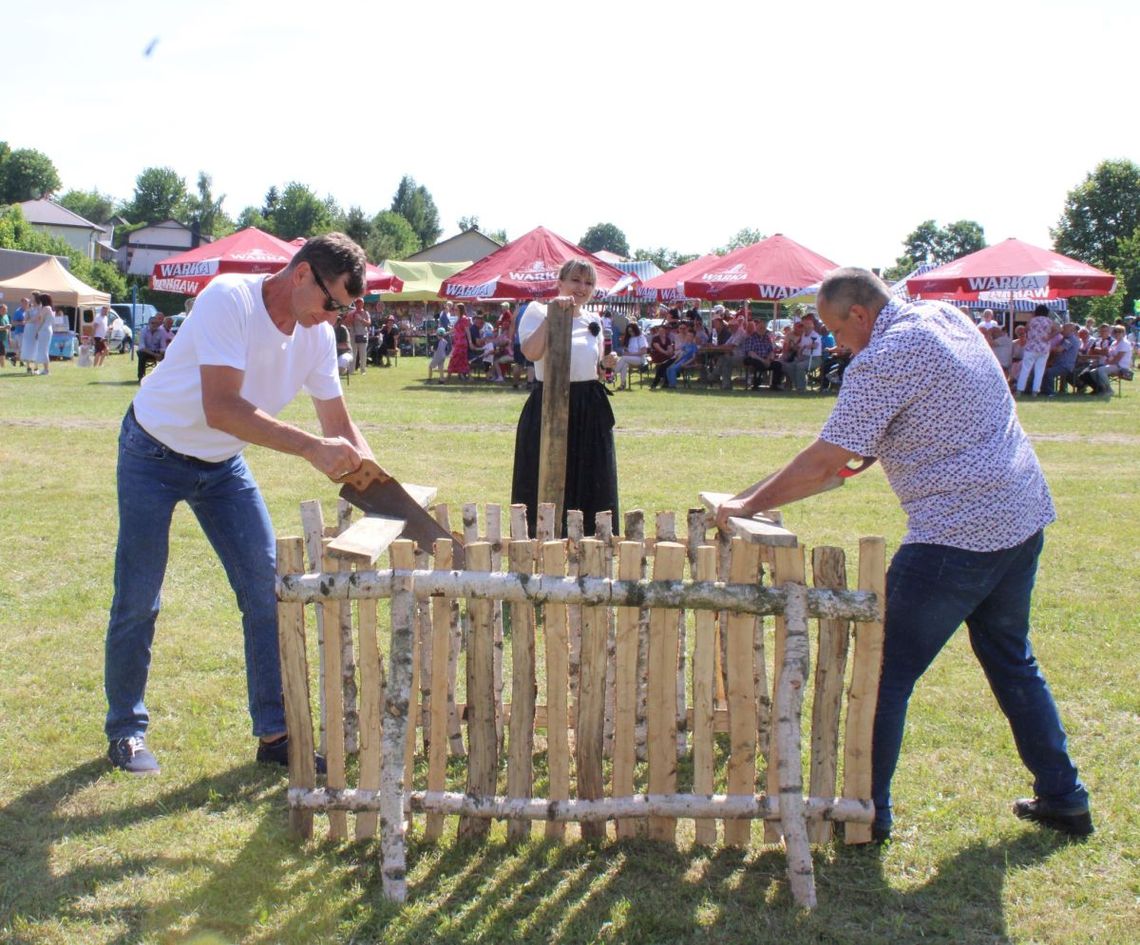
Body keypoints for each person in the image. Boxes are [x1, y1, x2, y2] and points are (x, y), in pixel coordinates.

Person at [715, 268, 1091, 843]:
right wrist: (764, 491)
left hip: (957, 533)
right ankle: (1065, 798)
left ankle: (868, 816)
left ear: (860, 314)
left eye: (836, 329)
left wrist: (745, 505)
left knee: (881, 673)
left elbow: (827, 462)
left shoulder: (884, 357)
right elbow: (871, 446)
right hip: (1020, 515)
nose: (837, 343)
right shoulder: (944, 317)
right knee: (1012, 659)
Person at [103, 232, 376, 775]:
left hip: (222, 465)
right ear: (302, 273)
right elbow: (222, 408)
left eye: (344, 310)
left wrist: (378, 480)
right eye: (332, 303)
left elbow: (339, 425)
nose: (335, 318)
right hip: (152, 451)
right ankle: (126, 731)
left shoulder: (317, 335)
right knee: (139, 596)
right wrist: (310, 449)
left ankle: (274, 736)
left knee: (266, 590)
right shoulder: (229, 298)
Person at [511, 258, 617, 538]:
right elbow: (531, 353)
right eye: (576, 280)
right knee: (543, 474)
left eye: (589, 282)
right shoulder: (537, 311)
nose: (582, 287)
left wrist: (605, 364)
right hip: (549, 402)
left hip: (589, 406)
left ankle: (590, 541)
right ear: (560, 283)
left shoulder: (594, 319)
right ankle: (541, 538)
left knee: (591, 476)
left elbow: (593, 369)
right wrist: (553, 315)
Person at [1017, 304, 1055, 395]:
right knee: (1039, 370)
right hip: (1044, 348)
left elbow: (1025, 329)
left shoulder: (1032, 320)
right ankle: (1035, 391)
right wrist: (1049, 337)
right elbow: (1059, 329)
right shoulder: (1049, 321)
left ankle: (1019, 390)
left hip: (1031, 347)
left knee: (1025, 369)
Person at [25, 293, 55, 375]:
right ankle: (45, 369)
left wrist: (37, 331)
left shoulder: (45, 308)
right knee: (45, 350)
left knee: (44, 350)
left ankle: (46, 370)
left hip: (44, 330)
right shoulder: (50, 308)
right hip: (48, 329)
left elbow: (40, 320)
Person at [136, 313, 170, 382]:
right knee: (141, 354)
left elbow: (163, 347)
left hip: (156, 351)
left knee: (168, 355)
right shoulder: (143, 331)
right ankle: (141, 377)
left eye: (156, 323)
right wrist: (155, 355)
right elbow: (142, 347)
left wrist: (162, 354)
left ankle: (165, 377)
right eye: (152, 323)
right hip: (146, 352)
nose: (154, 325)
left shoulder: (161, 332)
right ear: (148, 323)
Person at [615, 322, 648, 390]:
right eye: (629, 331)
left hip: (640, 359)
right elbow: (627, 350)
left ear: (635, 330)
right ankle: (622, 384)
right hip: (630, 358)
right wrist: (626, 351)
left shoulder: (641, 337)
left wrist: (629, 354)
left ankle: (612, 374)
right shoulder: (629, 338)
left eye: (632, 331)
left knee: (624, 358)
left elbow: (644, 351)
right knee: (624, 363)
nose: (630, 333)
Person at [447, 303, 472, 380]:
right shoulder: (458, 319)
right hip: (457, 342)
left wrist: (470, 342)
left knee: (455, 358)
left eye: (456, 310)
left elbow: (467, 331)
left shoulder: (464, 319)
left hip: (462, 343)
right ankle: (466, 376)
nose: (454, 311)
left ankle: (448, 376)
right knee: (461, 360)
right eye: (454, 309)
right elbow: (454, 329)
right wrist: (446, 333)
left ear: (460, 310)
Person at [349, 298, 370, 374]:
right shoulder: (351, 312)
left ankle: (363, 370)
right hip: (353, 335)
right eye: (357, 303)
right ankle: (351, 370)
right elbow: (347, 322)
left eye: (360, 303)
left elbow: (369, 324)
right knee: (353, 353)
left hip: (363, 334)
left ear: (363, 304)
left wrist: (361, 319)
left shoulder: (366, 313)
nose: (358, 304)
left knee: (363, 353)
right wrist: (352, 317)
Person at [0, 304, 9, 368]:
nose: (5, 311)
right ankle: (3, 366)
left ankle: (2, 366)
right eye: (4, 309)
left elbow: (8, 327)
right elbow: (5, 327)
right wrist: (5, 327)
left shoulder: (6, 316)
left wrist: (9, 337)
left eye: (6, 309)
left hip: (4, 338)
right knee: (2, 352)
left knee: (3, 352)